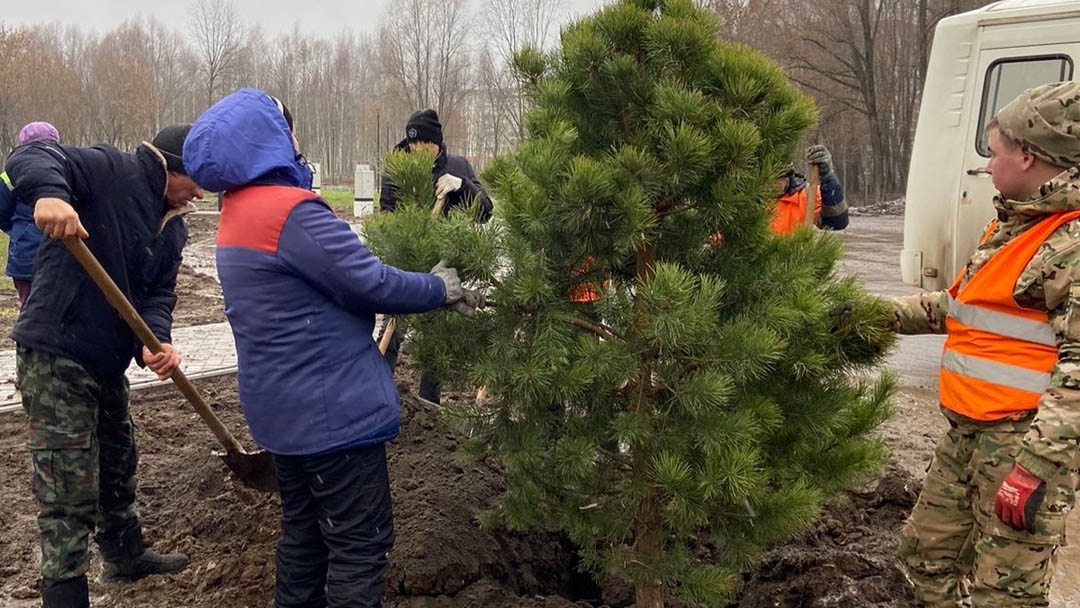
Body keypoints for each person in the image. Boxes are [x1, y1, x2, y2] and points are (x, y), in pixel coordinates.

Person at [183, 88, 482, 608]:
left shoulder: (237, 212)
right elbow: (370, 283)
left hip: (281, 412)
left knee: (304, 535)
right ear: (265, 138)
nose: (295, 138)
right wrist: (439, 287)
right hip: (332, 414)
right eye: (287, 127)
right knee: (359, 547)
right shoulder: (289, 213)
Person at [886, 81, 1080, 606]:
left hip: (1021, 443)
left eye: (993, 154)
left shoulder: (1071, 244)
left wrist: (1034, 469)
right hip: (966, 432)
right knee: (924, 560)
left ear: (1029, 154)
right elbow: (961, 309)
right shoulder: (1013, 225)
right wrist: (871, 319)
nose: (987, 167)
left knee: (1006, 595)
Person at [5, 124, 202, 607]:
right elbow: (30, 156)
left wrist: (155, 342)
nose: (203, 191)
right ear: (173, 168)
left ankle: (125, 554)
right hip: (57, 350)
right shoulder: (109, 170)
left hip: (106, 359)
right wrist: (51, 196)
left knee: (118, 461)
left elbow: (158, 294)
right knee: (67, 479)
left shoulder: (173, 226)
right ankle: (65, 590)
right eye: (199, 178)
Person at [377, 109, 493, 404]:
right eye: (413, 143)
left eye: (425, 144)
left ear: (437, 144)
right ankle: (376, 392)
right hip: (407, 266)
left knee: (437, 338)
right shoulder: (397, 170)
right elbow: (388, 219)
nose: (418, 150)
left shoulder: (458, 167)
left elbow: (485, 212)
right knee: (392, 330)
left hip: (446, 268)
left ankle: (430, 403)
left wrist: (462, 187)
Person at [0, 122, 55, 307]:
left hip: (25, 256)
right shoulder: (66, 170)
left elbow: (2, 215)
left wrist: (19, 232)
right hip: (63, 254)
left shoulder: (8, 176)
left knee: (29, 309)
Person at [770, 145, 849, 234]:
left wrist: (827, 177)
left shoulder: (807, 195)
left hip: (798, 247)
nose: (776, 183)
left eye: (781, 176)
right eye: (771, 177)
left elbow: (837, 222)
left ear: (789, 174)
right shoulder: (752, 197)